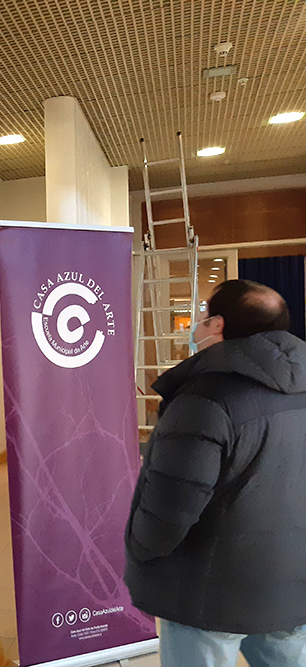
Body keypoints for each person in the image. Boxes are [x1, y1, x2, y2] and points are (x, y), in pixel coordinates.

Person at [125, 279, 306, 667]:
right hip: (293, 585)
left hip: (210, 593)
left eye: (203, 318)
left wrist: (140, 551)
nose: (198, 326)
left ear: (218, 325)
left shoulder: (205, 398)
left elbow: (170, 507)